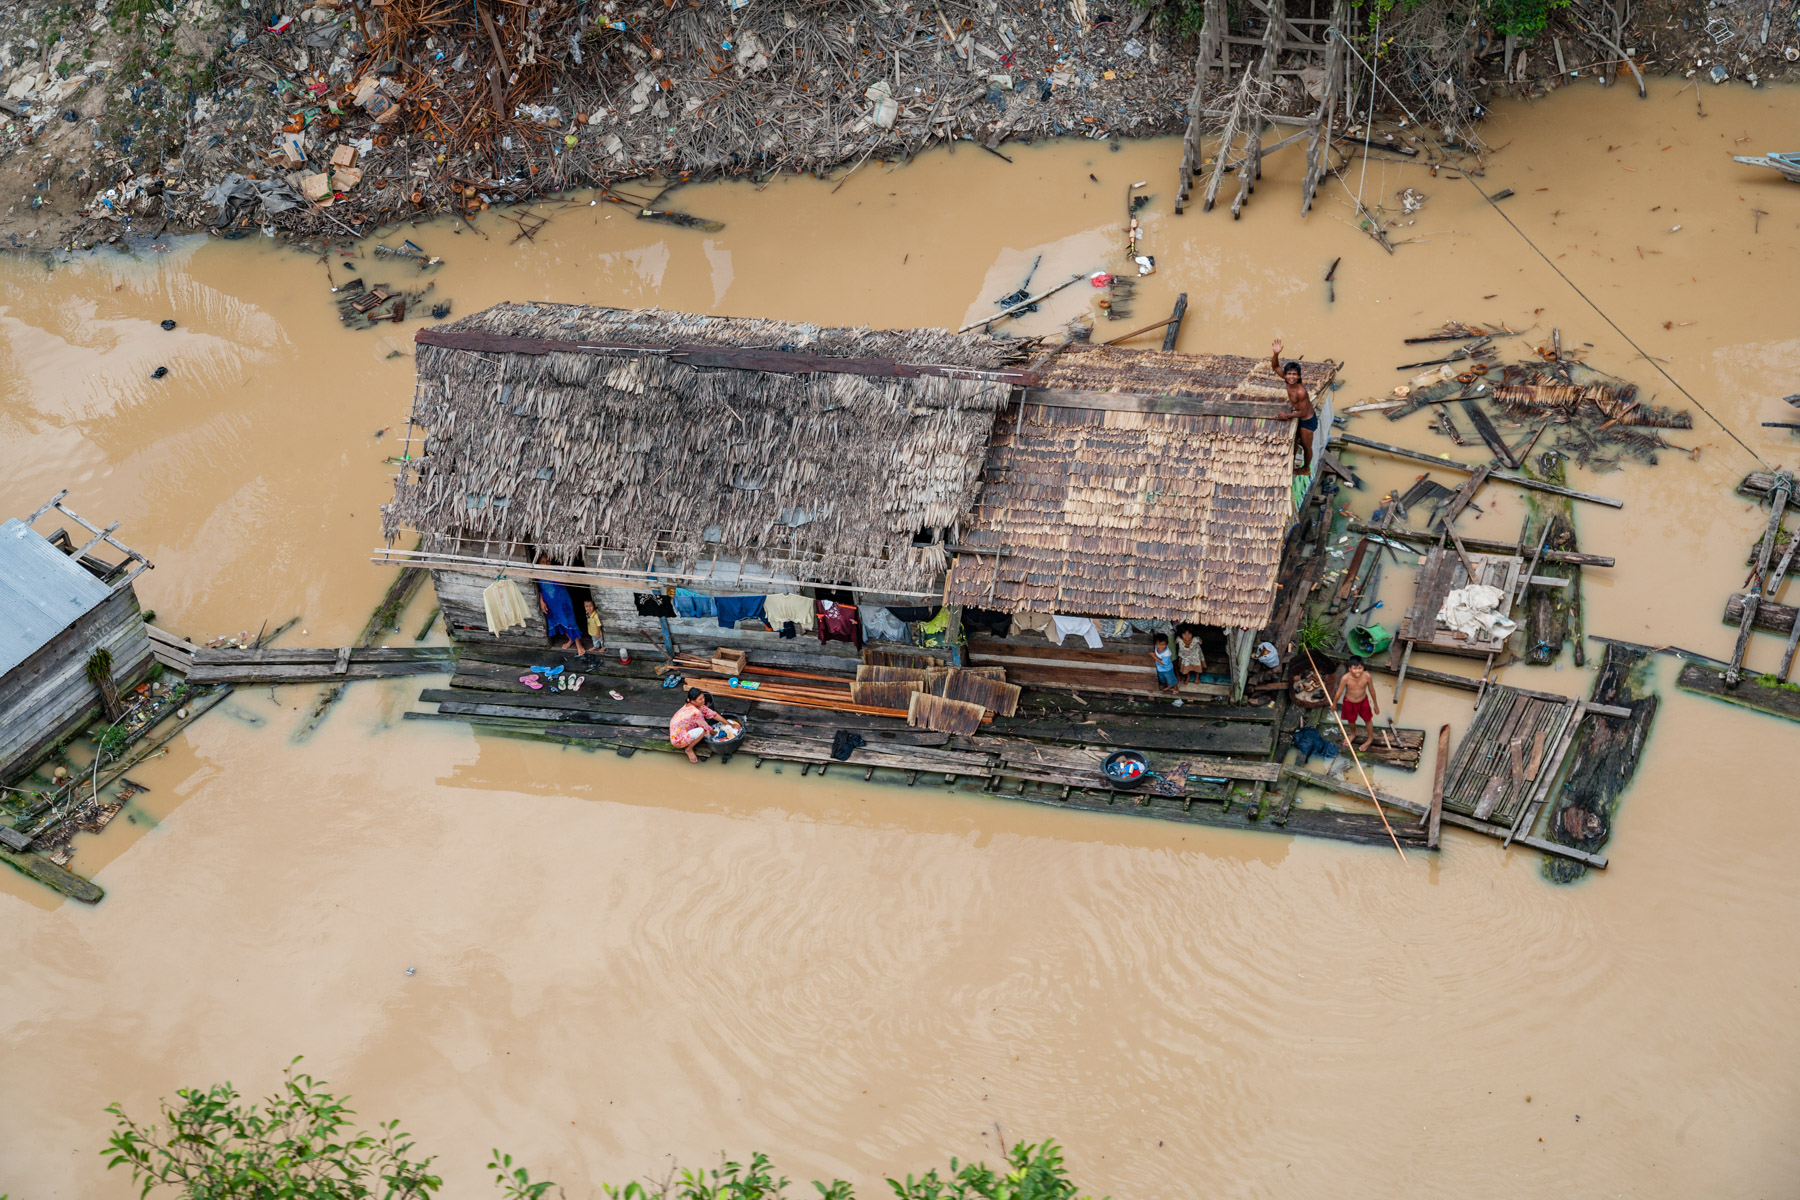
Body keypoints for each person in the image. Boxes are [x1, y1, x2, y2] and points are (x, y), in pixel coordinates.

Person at [1271, 337, 1317, 474]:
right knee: (1295, 441)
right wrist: (1276, 354)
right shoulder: (1288, 381)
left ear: (1299, 377)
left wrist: (1287, 415)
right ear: (1285, 375)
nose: (1291, 377)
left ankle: (1306, 468)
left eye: (1294, 375)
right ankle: (1291, 463)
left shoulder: (1300, 391)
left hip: (1307, 420)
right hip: (1299, 415)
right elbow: (1275, 367)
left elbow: (1303, 412)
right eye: (1289, 374)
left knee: (1306, 446)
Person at [534, 553, 586, 656]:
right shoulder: (538, 575)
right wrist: (541, 601)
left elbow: (568, 573)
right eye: (543, 562)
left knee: (569, 621)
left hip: (563, 602)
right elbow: (539, 589)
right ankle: (570, 639)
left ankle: (578, 644)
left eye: (548, 561)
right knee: (559, 622)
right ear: (538, 564)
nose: (546, 564)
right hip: (550, 604)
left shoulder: (557, 570)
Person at [1334, 660, 1380, 751]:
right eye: (1355, 668)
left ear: (1363, 668)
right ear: (1350, 669)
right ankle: (1353, 734)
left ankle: (1370, 739)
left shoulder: (1367, 676)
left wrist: (1375, 705)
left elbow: (1372, 690)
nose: (1358, 671)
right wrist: (1334, 704)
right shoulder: (1345, 678)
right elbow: (1339, 692)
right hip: (1349, 701)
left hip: (1363, 701)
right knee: (1351, 720)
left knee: (1368, 719)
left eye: (1360, 668)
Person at [669, 687, 723, 764]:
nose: (703, 700)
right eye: (700, 699)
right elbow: (707, 728)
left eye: (703, 697)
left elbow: (713, 714)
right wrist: (717, 734)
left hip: (677, 731)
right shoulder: (695, 712)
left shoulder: (691, 705)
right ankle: (689, 749)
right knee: (702, 731)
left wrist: (730, 724)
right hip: (678, 741)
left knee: (701, 726)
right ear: (692, 701)